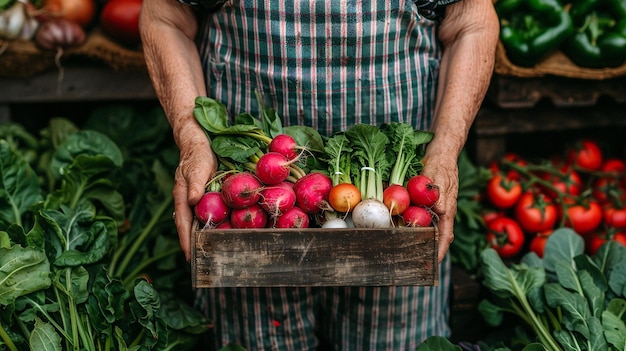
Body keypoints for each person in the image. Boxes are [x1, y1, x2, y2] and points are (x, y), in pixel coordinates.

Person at [139, 0, 499, 349]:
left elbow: (471, 21)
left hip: (396, 223)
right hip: (252, 228)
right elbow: (165, 16)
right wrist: (192, 142)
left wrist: (446, 149)